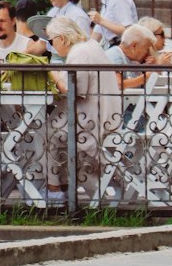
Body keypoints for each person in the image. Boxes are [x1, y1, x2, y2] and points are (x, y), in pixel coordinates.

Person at [46, 15, 121, 204]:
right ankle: (60, 187)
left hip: (93, 124)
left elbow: (72, 90)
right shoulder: (89, 47)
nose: (51, 45)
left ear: (62, 38)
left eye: (51, 40)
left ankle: (54, 190)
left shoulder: (79, 52)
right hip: (104, 117)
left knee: (46, 132)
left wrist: (50, 72)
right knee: (53, 128)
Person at [105, 24, 157, 89]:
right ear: (134, 46)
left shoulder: (133, 60)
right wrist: (145, 77)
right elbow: (117, 84)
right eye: (146, 48)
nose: (148, 53)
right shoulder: (115, 55)